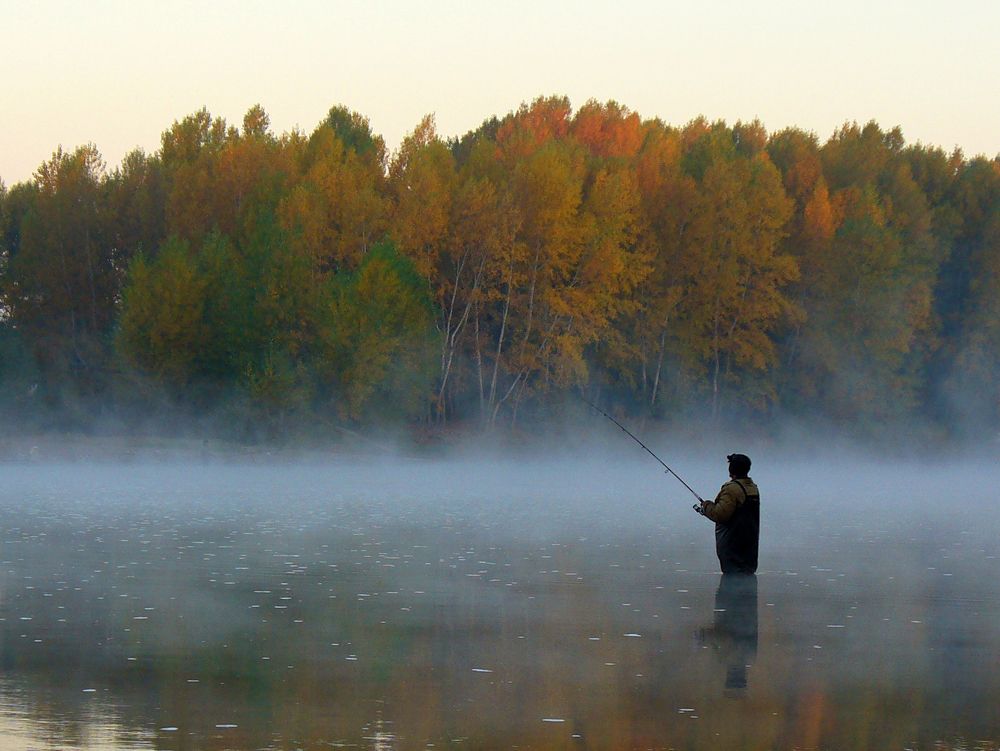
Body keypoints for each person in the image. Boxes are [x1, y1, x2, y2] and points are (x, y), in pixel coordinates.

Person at [696, 453, 760, 574]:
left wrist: (706, 506)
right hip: (749, 548)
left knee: (733, 582)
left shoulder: (731, 489)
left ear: (731, 469)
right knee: (745, 583)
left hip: (732, 548)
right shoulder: (752, 488)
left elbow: (720, 515)